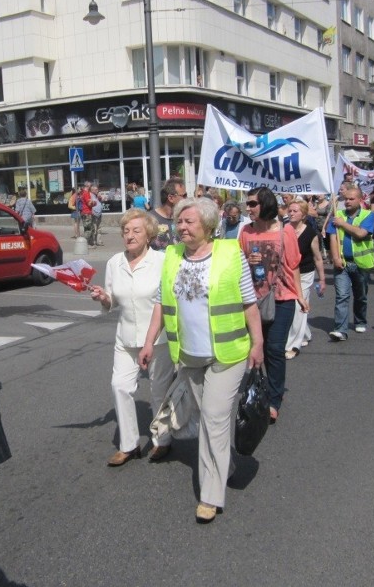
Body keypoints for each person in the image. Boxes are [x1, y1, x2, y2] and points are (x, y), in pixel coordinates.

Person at [139, 197, 263, 523]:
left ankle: (210, 495)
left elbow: (249, 303)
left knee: (213, 417)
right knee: (209, 421)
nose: (181, 227)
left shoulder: (230, 253)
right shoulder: (172, 256)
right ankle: (228, 465)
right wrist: (150, 342)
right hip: (189, 356)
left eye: (189, 222)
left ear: (208, 226)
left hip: (228, 354)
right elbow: (162, 304)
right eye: (179, 222)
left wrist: (258, 343)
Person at [89, 210, 175, 466]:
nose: (130, 235)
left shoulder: (162, 261)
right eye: (126, 231)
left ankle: (163, 441)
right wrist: (103, 297)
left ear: (148, 235)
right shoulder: (115, 262)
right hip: (125, 338)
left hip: (158, 339)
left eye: (136, 231)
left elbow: (167, 301)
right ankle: (129, 445)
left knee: (159, 391)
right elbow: (112, 301)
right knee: (120, 386)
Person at [240, 187, 306, 421]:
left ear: (265, 204)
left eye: (252, 204)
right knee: (257, 347)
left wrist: (300, 295)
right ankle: (257, 388)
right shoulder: (245, 232)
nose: (248, 209)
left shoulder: (285, 231)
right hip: (252, 300)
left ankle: (274, 399)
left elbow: (294, 264)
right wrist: (247, 260)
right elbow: (238, 265)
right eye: (247, 204)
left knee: (274, 349)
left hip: (282, 298)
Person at [327, 186, 374, 341]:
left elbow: (361, 233)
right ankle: (340, 329)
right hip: (343, 263)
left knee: (360, 295)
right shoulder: (338, 214)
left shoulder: (368, 215)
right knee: (342, 296)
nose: (347, 202)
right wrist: (335, 257)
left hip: (361, 264)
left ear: (360, 200)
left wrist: (343, 224)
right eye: (345, 199)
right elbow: (333, 237)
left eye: (351, 199)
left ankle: (360, 320)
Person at [284, 199, 325, 359]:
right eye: (290, 210)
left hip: (305, 274)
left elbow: (318, 258)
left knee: (298, 306)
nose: (291, 213)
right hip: (287, 274)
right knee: (290, 305)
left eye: (295, 211)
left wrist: (322, 279)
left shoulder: (310, 233)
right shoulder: (284, 229)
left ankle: (293, 344)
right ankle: (306, 334)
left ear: (303, 215)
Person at [150, 177, 187, 251]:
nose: (186, 199)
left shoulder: (183, 218)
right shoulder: (150, 219)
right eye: (184, 195)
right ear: (170, 198)